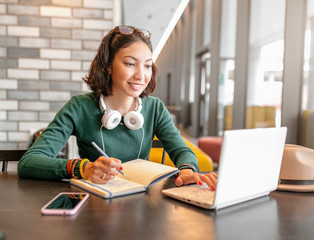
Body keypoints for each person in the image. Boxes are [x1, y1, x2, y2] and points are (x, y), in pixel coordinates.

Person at [18, 25, 217, 190]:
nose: (141, 76)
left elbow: (182, 150)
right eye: (130, 64)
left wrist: (187, 170)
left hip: (141, 206)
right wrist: (83, 168)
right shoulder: (79, 107)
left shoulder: (154, 108)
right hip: (95, 206)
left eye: (147, 65)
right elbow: (29, 162)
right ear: (108, 66)